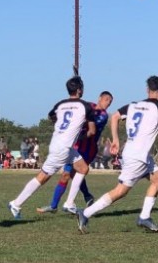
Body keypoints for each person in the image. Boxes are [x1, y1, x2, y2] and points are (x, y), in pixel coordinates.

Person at [75, 75, 158, 234]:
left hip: (135, 152)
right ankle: (85, 213)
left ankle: (144, 217)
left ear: (147, 90)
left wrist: (115, 139)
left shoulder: (134, 105)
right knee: (120, 191)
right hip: (138, 157)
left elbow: (115, 116)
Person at [7, 76, 96, 219]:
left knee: (83, 168)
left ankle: (69, 203)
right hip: (63, 148)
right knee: (42, 177)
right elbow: (92, 131)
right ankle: (16, 203)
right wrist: (81, 134)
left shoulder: (60, 104)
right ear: (79, 90)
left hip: (59, 143)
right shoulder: (86, 106)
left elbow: (51, 116)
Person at [37, 90, 114, 215]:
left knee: (75, 172)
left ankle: (64, 203)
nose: (108, 104)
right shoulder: (89, 105)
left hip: (88, 149)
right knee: (67, 175)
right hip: (77, 146)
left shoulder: (103, 115)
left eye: (110, 102)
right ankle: (61, 203)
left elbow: (88, 125)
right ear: (100, 98)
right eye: (107, 100)